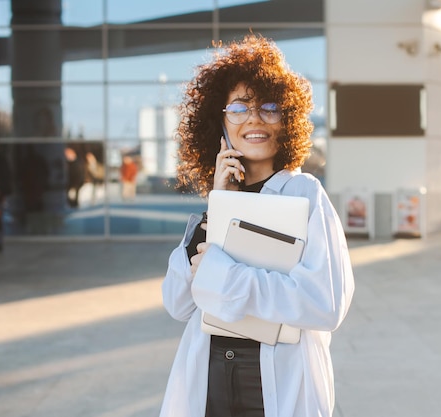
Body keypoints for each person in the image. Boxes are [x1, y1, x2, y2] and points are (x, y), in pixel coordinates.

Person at [160, 34, 355, 417]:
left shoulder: (304, 194)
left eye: (269, 106)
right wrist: (217, 206)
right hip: (212, 370)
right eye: (238, 107)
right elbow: (177, 303)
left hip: (273, 378)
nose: (254, 118)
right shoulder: (215, 205)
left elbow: (326, 304)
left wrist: (226, 278)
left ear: (287, 121)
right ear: (219, 122)